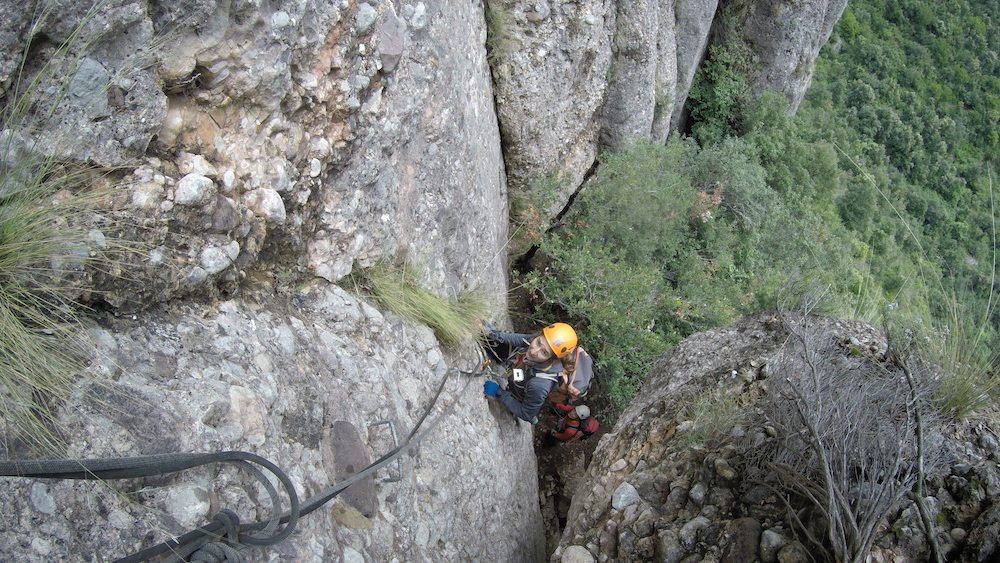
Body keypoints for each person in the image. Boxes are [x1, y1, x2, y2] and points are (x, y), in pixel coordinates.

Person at [481, 322, 578, 423]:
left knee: (528, 406)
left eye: (544, 352)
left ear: (552, 359)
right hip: (525, 374)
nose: (533, 351)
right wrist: (492, 334)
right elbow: (520, 339)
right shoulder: (536, 340)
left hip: (524, 393)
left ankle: (534, 417)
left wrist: (499, 392)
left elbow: (526, 413)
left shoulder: (540, 385)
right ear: (539, 335)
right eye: (538, 342)